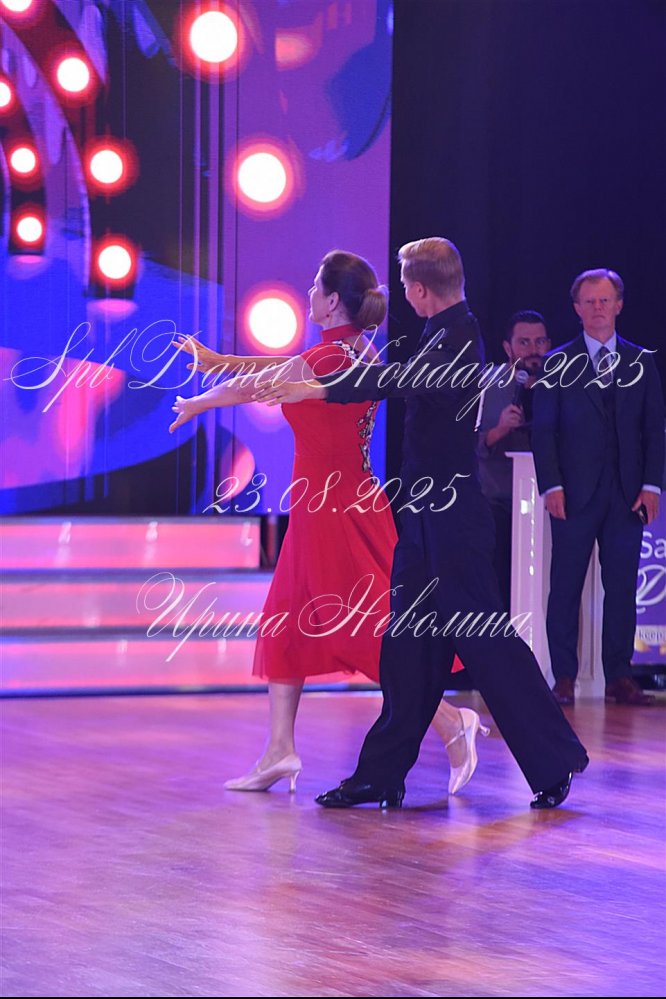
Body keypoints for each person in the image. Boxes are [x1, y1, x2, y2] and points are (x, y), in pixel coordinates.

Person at [255, 237, 589, 810]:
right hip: (425, 519)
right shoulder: (442, 331)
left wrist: (316, 386)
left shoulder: (458, 336)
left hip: (454, 521)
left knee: (487, 642)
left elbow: (398, 379)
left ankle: (553, 761)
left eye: (405, 284)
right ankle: (381, 775)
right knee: (408, 651)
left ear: (417, 289)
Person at [169, 250, 488, 795]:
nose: (309, 294)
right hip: (335, 502)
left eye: (316, 286)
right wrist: (215, 366)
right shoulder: (353, 350)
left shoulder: (326, 358)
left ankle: (451, 720)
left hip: (333, 510)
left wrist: (201, 397)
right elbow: (275, 371)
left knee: (364, 629)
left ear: (334, 300)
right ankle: (279, 750)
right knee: (287, 622)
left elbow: (259, 382)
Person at [531, 268, 664, 706]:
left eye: (605, 300)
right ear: (577, 309)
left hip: (627, 493)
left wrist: (652, 486)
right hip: (573, 493)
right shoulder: (557, 362)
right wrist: (551, 485)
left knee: (622, 587)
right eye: (589, 301)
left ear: (619, 305)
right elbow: (544, 431)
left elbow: (654, 429)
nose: (598, 308)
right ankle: (563, 677)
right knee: (565, 586)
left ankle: (619, 676)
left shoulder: (641, 361)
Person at [477, 311, 551, 608]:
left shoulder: (559, 385)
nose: (533, 350)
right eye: (524, 342)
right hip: (499, 504)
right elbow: (466, 445)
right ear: (507, 347)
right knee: (497, 591)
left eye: (540, 342)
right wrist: (500, 430)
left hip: (550, 503)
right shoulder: (487, 384)